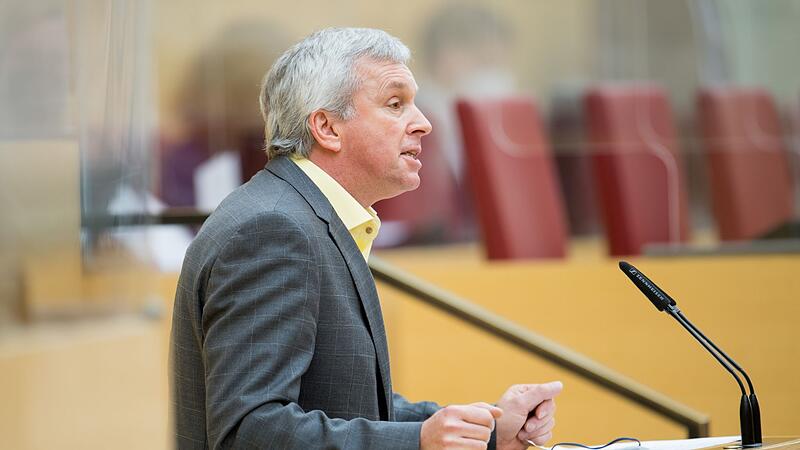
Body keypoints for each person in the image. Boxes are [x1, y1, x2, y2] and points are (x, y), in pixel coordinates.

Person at [171, 27, 562, 449]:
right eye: (396, 104)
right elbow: (249, 431)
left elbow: (346, 400)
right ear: (327, 127)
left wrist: (485, 431)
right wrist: (418, 443)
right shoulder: (273, 230)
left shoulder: (302, 215)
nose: (425, 123)